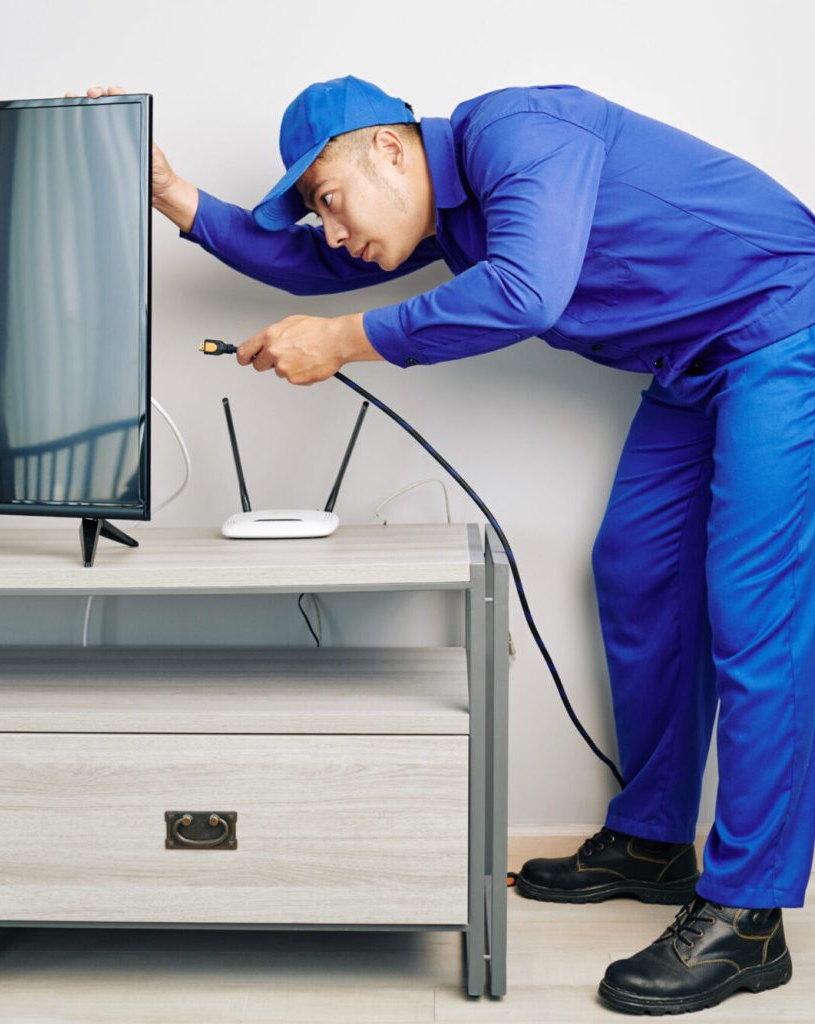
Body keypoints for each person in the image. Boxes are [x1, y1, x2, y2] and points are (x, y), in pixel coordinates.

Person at [71, 77, 814, 1015]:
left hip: (785, 327)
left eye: (328, 201)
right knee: (637, 573)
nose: (331, 232)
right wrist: (175, 196)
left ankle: (749, 919)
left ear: (390, 150)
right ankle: (656, 838)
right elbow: (314, 269)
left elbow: (528, 290)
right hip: (693, 365)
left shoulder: (518, 132)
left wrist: (344, 339)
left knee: (756, 614)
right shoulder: (442, 218)